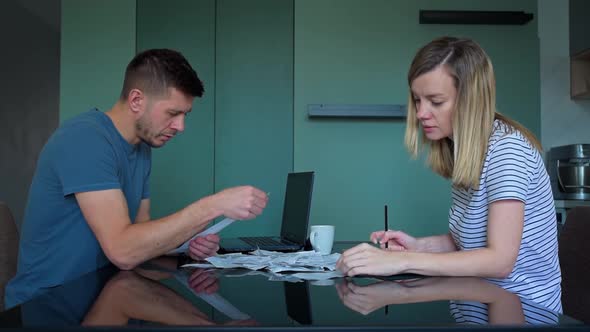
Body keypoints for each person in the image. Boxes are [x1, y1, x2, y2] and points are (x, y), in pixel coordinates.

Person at [5, 49, 268, 309]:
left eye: (184, 115)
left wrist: (186, 245)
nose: (180, 127)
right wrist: (214, 205)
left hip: (105, 296)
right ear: (136, 101)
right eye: (172, 113)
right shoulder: (85, 139)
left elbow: (141, 234)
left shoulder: (141, 149)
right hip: (48, 307)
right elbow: (123, 251)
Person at [336, 37, 561, 313]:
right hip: (477, 303)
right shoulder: (466, 151)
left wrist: (404, 262)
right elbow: (464, 242)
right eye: (417, 100)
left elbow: (500, 261)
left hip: (522, 312)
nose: (420, 113)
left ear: (470, 101)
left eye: (435, 101)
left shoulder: (508, 151)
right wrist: (417, 246)